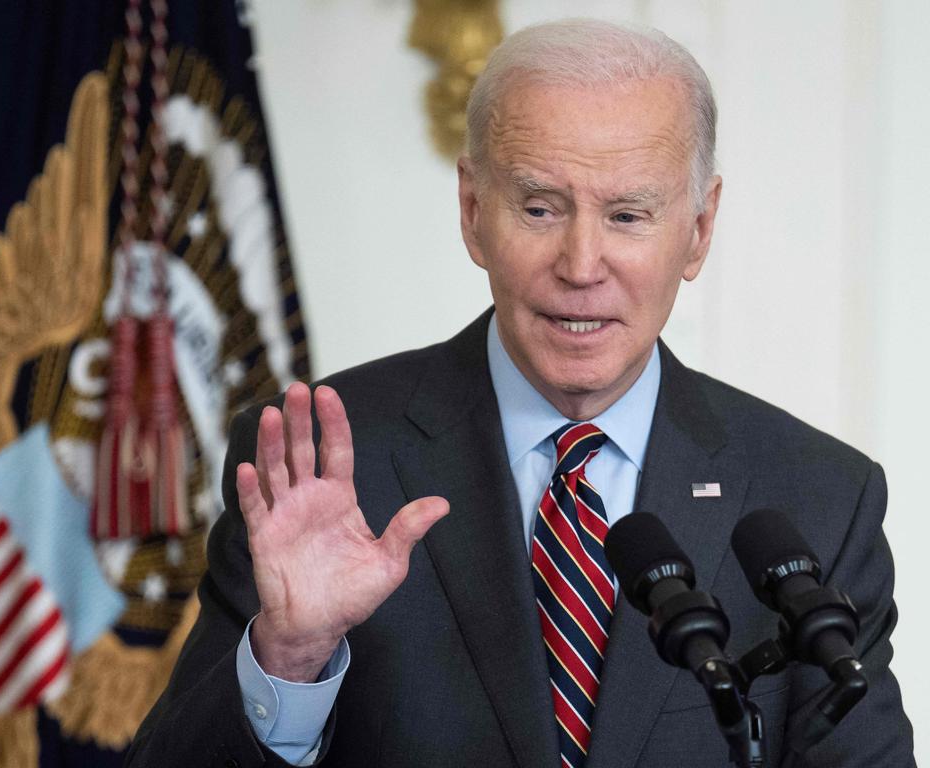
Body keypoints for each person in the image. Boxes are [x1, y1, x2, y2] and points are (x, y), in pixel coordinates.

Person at [127, 19, 914, 768]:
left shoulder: (815, 498)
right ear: (473, 212)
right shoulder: (327, 464)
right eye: (540, 208)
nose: (580, 264)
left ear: (700, 228)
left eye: (629, 214)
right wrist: (290, 658)